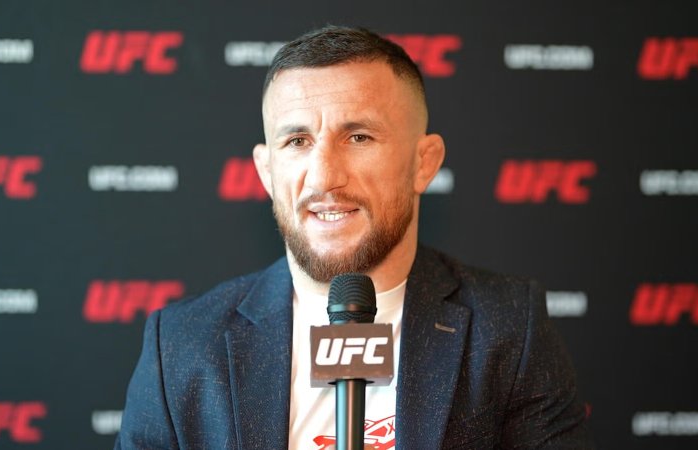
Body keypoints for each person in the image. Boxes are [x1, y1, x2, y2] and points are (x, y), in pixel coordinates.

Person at [116, 25, 593, 449]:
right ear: (266, 171)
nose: (325, 176)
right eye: (297, 141)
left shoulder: (508, 328)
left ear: (423, 163)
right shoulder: (181, 345)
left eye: (358, 137)